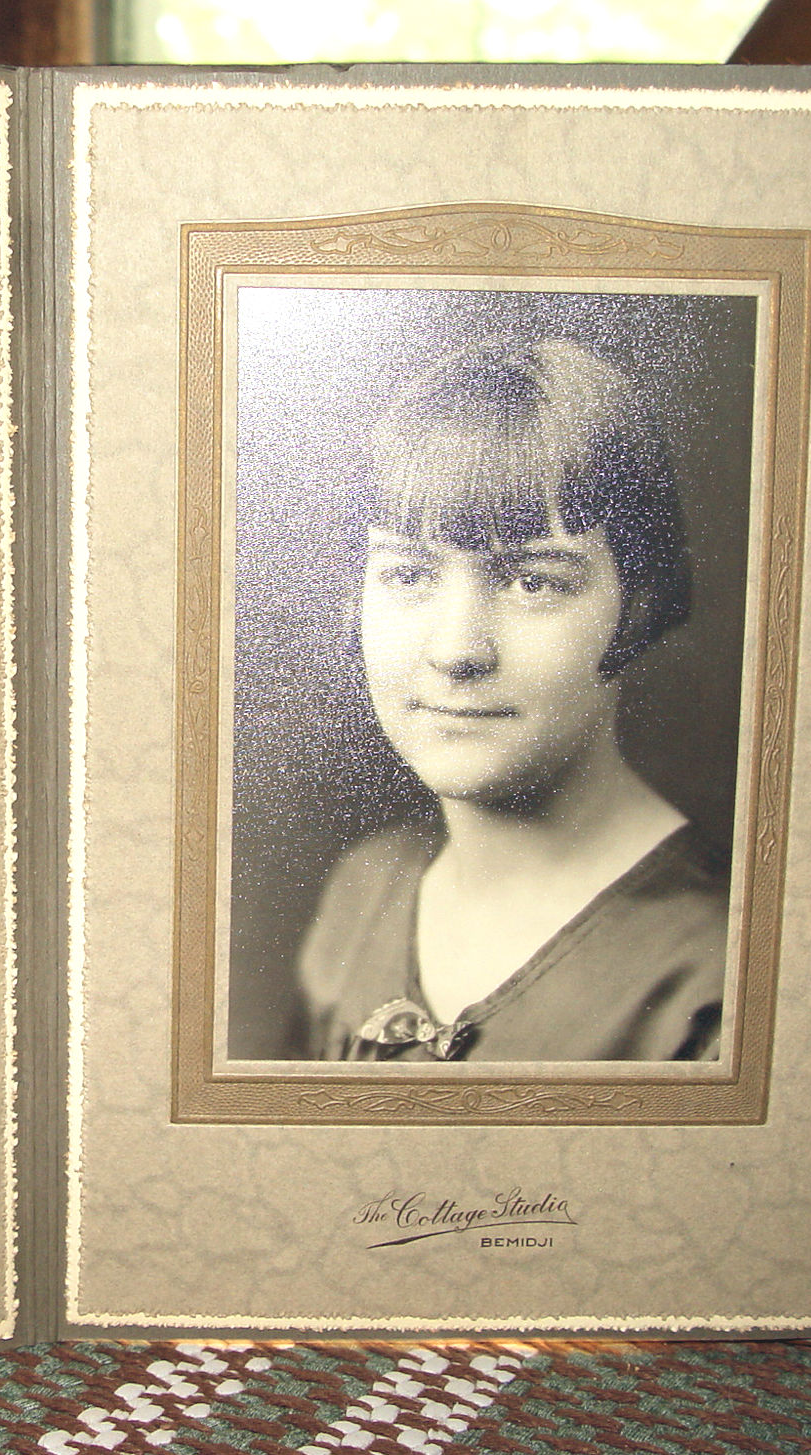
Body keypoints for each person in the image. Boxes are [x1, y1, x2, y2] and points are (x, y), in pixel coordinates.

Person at [297, 339, 727, 1063]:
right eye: (408, 575)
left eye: (533, 581)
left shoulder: (712, 979)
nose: (458, 651)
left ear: (640, 603)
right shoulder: (362, 894)